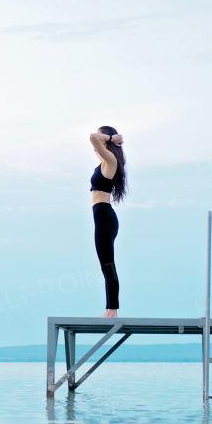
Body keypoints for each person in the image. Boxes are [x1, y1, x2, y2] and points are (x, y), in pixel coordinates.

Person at [88, 126, 127, 317]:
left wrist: (109, 137)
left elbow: (93, 137)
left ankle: (112, 310)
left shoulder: (110, 160)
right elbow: (95, 144)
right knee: (105, 265)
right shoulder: (104, 161)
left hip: (104, 217)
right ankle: (109, 308)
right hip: (102, 216)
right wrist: (108, 140)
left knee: (107, 265)